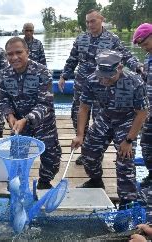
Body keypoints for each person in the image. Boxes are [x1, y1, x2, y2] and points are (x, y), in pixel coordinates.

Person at [59, 9, 141, 165]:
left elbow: (126, 55)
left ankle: (95, 155)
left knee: (98, 121)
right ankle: (84, 151)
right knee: (78, 117)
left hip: (102, 87)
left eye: (93, 21)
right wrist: (64, 76)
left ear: (101, 20)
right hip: (82, 85)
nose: (90, 24)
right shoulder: (81, 39)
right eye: (88, 22)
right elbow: (72, 59)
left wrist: (138, 66)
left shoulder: (112, 39)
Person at [71, 50, 149, 207]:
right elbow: (84, 107)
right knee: (88, 152)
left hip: (127, 120)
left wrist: (128, 140)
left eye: (109, 76)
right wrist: (80, 135)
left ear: (119, 67)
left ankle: (127, 201)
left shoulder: (135, 82)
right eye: (102, 75)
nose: (104, 80)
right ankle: (96, 181)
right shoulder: (92, 80)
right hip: (105, 118)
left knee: (125, 159)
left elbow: (142, 113)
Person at [0, 37, 62, 189]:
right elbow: (4, 99)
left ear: (27, 52)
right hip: (19, 125)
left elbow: (45, 103)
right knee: (17, 158)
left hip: (43, 122)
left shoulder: (42, 72)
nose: (14, 57)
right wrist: (10, 115)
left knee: (51, 156)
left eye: (19, 52)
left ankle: (44, 182)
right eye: (10, 54)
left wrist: (26, 119)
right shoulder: (3, 74)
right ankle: (17, 186)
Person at [133, 23, 152, 188]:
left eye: (146, 44)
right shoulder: (148, 58)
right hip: (148, 110)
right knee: (146, 143)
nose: (144, 48)